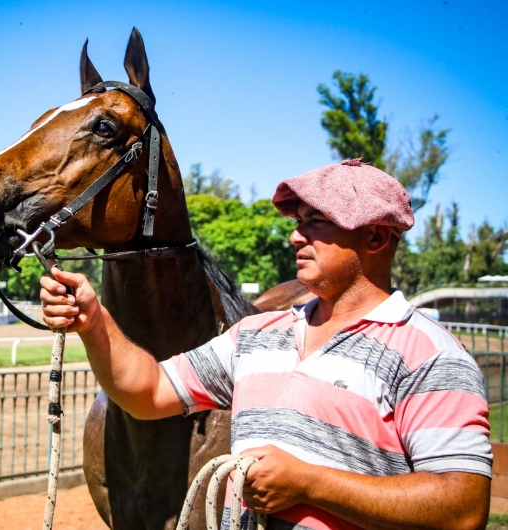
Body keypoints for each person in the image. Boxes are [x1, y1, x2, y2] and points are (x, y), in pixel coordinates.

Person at [40, 159, 492, 530]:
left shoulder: (431, 355)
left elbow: (463, 506)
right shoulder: (255, 336)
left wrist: (310, 484)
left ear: (375, 237)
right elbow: (149, 390)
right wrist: (93, 321)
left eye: (317, 223)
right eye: (299, 222)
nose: (296, 235)